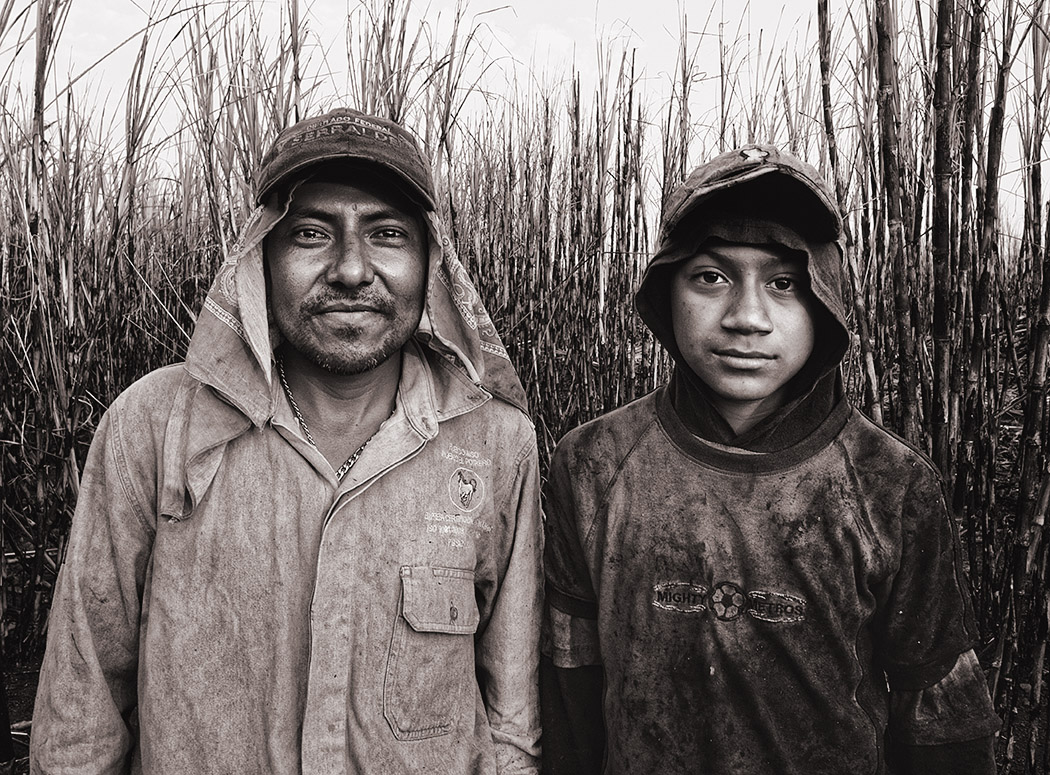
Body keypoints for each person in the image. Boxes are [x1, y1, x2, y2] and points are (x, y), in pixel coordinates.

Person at [30, 108, 542, 774]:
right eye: (310, 233)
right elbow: (83, 699)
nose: (352, 269)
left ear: (430, 261)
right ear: (260, 260)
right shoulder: (154, 426)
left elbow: (510, 719)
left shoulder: (497, 446)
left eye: (386, 234)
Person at [540, 144, 1000, 774]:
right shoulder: (593, 464)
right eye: (711, 277)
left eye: (784, 283)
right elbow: (570, 689)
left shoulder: (889, 484)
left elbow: (944, 718)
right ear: (664, 290)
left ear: (826, 303)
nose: (748, 318)